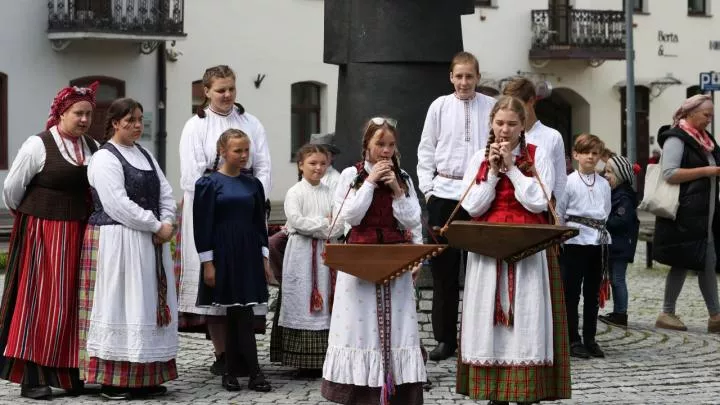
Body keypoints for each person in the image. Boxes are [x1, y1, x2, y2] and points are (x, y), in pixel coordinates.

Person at [456, 95, 570, 404]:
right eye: (499, 123)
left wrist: (513, 170)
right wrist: (493, 173)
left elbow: (538, 202)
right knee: (488, 321)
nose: (504, 130)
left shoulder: (538, 154)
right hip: (488, 249)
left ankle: (525, 390)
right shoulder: (479, 158)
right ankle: (494, 392)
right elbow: (472, 206)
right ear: (491, 123)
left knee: (527, 316)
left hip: (528, 250)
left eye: (512, 124)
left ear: (522, 127)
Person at [0, 83, 99, 399]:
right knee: (41, 301)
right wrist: (34, 216)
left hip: (80, 230)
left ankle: (70, 374)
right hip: (43, 232)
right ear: (62, 112)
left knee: (74, 302)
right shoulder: (38, 145)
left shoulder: (93, 146)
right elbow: (13, 189)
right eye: (77, 113)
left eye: (88, 114)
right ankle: (32, 375)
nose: (83, 119)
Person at [78, 98, 178, 400]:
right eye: (130, 120)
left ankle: (144, 377)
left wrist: (168, 220)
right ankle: (114, 380)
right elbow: (117, 204)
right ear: (114, 122)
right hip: (117, 241)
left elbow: (165, 191)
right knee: (120, 304)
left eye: (139, 119)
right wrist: (155, 225)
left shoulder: (145, 154)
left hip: (149, 242)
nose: (136, 125)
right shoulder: (104, 158)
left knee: (146, 305)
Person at [322, 117, 426, 404]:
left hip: (394, 260)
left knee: (398, 327)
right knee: (360, 328)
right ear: (366, 145)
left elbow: (412, 219)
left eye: (391, 145)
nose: (386, 151)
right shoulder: (350, 176)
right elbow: (350, 217)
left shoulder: (403, 177)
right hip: (359, 261)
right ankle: (360, 394)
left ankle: (397, 391)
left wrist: (397, 191)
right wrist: (369, 183)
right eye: (380, 144)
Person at [177, 65, 272, 374]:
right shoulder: (195, 126)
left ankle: (244, 353)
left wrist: (254, 198)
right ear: (206, 91)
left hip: (244, 208)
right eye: (220, 90)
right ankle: (222, 355)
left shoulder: (251, 123)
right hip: (210, 211)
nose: (227, 95)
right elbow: (192, 175)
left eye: (231, 88)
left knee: (243, 284)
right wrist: (220, 190)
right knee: (217, 285)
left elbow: (264, 166)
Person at [417, 51, 497, 361]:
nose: (464, 82)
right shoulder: (439, 106)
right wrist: (428, 190)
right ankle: (445, 339)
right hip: (444, 193)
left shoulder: (490, 106)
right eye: (459, 76)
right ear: (451, 77)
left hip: (479, 193)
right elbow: (426, 149)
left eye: (470, 76)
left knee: (481, 269)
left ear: (478, 77)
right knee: (444, 272)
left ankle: (478, 339)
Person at [193, 128, 272, 392]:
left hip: (249, 252)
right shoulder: (209, 184)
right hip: (224, 253)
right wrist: (208, 263)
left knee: (245, 313)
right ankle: (236, 371)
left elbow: (259, 223)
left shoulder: (253, 184)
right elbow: (202, 225)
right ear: (222, 151)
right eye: (237, 150)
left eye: (246, 150)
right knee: (233, 313)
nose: (243, 155)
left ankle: (248, 371)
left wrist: (264, 258)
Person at [271, 144, 343, 377]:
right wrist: (324, 224)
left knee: (327, 296)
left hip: (326, 254)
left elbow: (340, 224)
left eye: (323, 163)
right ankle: (300, 359)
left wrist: (323, 227)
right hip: (301, 255)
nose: (318, 168)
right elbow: (296, 221)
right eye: (312, 163)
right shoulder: (295, 192)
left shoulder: (331, 192)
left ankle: (326, 357)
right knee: (302, 298)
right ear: (301, 165)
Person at [653, 94, 720, 333]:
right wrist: (706, 170)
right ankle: (668, 312)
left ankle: (714, 316)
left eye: (711, 115)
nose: (710, 120)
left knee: (706, 263)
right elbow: (670, 173)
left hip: (705, 216)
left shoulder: (705, 140)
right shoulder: (677, 138)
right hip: (684, 215)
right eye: (706, 115)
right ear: (690, 113)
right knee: (684, 262)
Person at [557, 133, 612, 359]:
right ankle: (573, 339)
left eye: (595, 153)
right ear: (576, 155)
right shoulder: (568, 182)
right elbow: (560, 211)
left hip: (597, 241)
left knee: (592, 292)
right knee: (572, 292)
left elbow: (605, 211)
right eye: (586, 152)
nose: (591, 156)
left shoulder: (604, 184)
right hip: (575, 241)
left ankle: (590, 338)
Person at [502, 77, 567, 201]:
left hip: (541, 207)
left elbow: (560, 180)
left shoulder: (553, 136)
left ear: (531, 101)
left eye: (517, 105)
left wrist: (555, 211)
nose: (513, 111)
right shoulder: (504, 134)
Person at [598, 155, 640, 328]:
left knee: (618, 280)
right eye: (605, 171)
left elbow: (620, 221)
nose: (606, 175)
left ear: (620, 175)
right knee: (615, 279)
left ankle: (621, 314)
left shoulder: (624, 196)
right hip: (616, 245)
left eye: (609, 172)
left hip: (621, 246)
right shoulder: (616, 192)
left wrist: (602, 219)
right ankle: (618, 312)